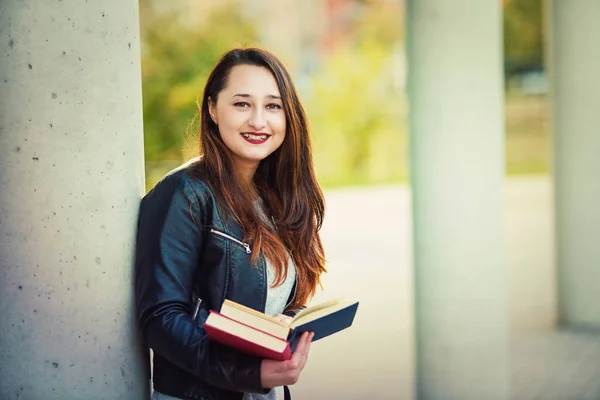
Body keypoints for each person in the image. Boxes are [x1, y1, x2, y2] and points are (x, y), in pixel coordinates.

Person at [134, 47, 327, 400]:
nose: (258, 121)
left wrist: (288, 323)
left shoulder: (275, 198)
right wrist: (247, 372)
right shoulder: (185, 194)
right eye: (242, 104)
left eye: (273, 106)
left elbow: (274, 296)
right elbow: (160, 318)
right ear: (212, 108)